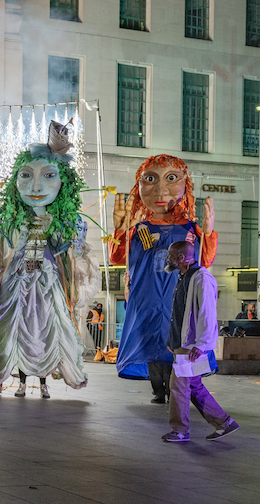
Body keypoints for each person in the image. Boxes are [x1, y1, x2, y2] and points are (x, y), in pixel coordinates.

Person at [0, 123, 94, 400]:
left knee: (45, 334)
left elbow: (73, 262)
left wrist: (73, 247)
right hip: (16, 285)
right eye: (26, 176)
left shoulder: (63, 223)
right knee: (16, 334)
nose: (37, 186)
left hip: (48, 286)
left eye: (49, 176)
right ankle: (20, 383)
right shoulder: (10, 224)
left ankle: (42, 384)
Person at [111, 154, 217, 405]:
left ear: (185, 185)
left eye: (171, 178)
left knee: (175, 342)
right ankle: (158, 389)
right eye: (150, 179)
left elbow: (205, 259)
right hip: (146, 298)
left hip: (177, 296)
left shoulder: (190, 228)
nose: (161, 189)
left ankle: (175, 388)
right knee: (150, 344)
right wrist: (120, 231)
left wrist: (208, 233)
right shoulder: (138, 228)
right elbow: (117, 257)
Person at [161, 241, 238, 443]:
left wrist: (201, 344)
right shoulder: (185, 277)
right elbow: (179, 314)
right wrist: (173, 340)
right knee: (194, 386)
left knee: (178, 387)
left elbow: (207, 313)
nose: (168, 259)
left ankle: (180, 430)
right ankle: (224, 423)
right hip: (184, 344)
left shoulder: (201, 278)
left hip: (191, 346)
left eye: (170, 256)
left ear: (181, 258)